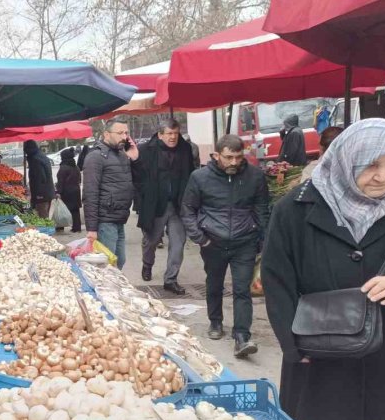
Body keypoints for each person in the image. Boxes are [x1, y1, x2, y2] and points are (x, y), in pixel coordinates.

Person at [261, 118, 385, 420]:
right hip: (320, 359)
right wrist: (294, 347)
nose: (383, 177)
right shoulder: (295, 208)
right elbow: (277, 280)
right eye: (370, 165)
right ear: (345, 159)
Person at [181, 134, 269, 358]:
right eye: (228, 157)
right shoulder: (200, 177)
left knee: (242, 289)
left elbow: (261, 210)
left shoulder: (255, 176)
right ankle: (216, 322)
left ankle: (242, 335)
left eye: (238, 157)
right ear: (216, 155)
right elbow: (188, 210)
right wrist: (200, 238)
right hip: (213, 241)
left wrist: (262, 239)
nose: (233, 162)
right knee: (214, 284)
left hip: (244, 241)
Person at [133, 119, 195, 292]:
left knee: (178, 242)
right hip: (155, 205)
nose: (173, 137)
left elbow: (190, 174)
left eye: (176, 133)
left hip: (178, 205)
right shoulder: (146, 150)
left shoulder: (185, 150)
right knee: (151, 241)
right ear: (160, 135)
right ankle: (147, 264)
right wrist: (141, 200)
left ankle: (171, 279)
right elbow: (137, 178)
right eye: (169, 133)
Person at [82, 118, 139, 269]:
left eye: (126, 133)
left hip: (119, 218)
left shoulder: (122, 154)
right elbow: (90, 194)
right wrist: (92, 228)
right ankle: (106, 292)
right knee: (108, 265)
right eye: (120, 133)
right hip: (105, 220)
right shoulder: (95, 157)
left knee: (119, 261)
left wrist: (134, 158)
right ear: (106, 134)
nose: (124, 137)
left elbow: (137, 181)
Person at [24, 139, 55, 218]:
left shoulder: (35, 160)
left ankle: (46, 230)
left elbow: (40, 178)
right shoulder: (41, 156)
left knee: (43, 217)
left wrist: (37, 196)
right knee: (46, 215)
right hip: (48, 192)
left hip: (42, 194)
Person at [55, 147, 82, 233]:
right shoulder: (76, 167)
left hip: (67, 191)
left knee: (61, 209)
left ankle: (60, 226)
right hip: (76, 190)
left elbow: (61, 181)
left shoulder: (63, 167)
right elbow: (80, 179)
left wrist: (58, 192)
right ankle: (77, 227)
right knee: (75, 210)